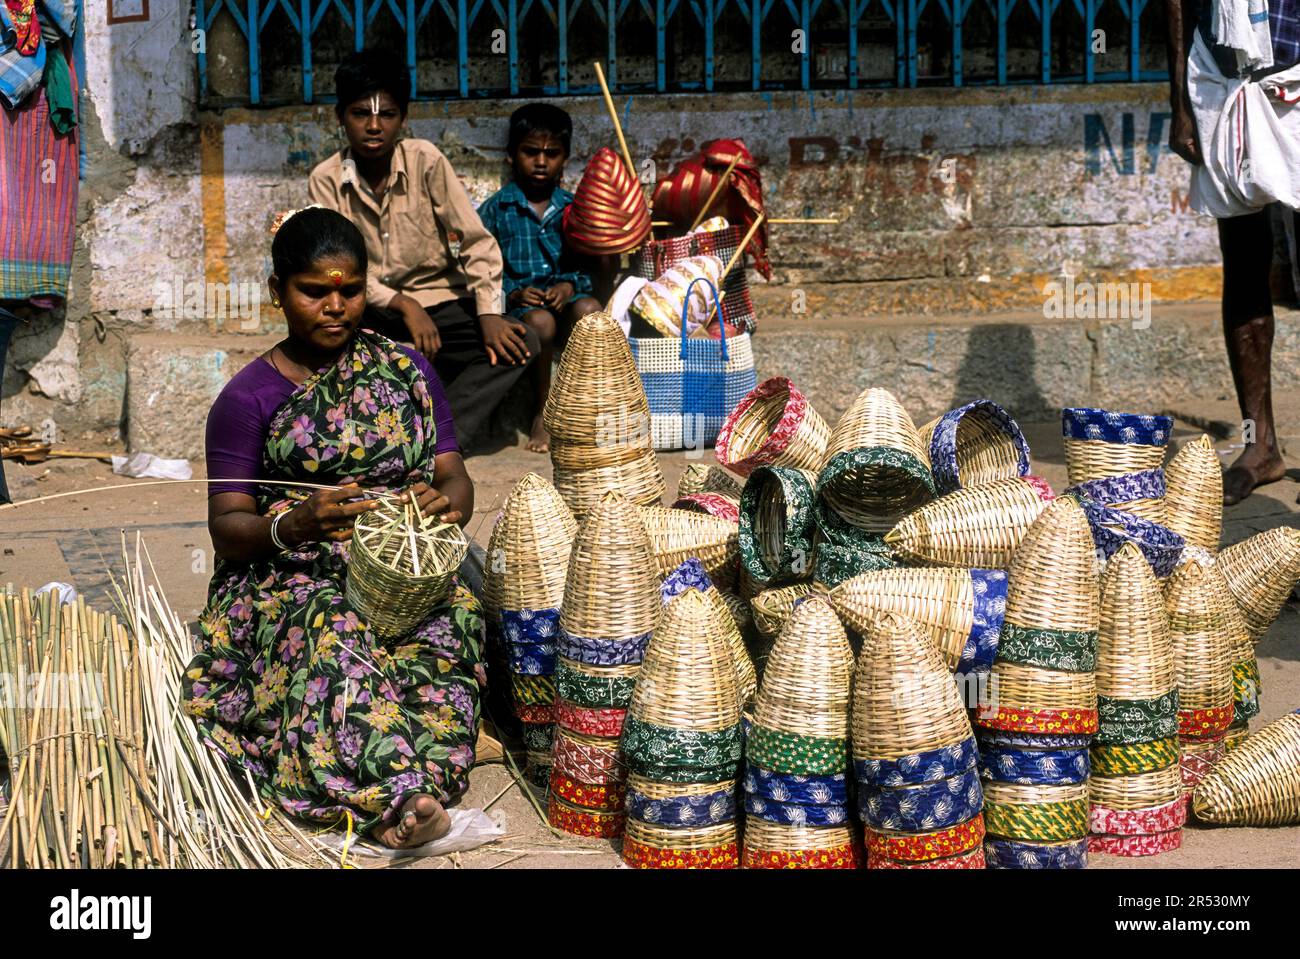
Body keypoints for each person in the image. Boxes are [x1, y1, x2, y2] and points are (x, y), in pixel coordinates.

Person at [185, 207, 484, 849]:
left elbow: (455, 475)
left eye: (349, 290)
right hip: (285, 578)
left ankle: (420, 781)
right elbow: (227, 526)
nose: (335, 307)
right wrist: (294, 525)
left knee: (454, 617)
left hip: (400, 570)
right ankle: (400, 799)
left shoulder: (407, 372)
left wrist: (446, 503)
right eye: (314, 291)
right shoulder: (248, 398)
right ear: (278, 293)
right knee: (333, 635)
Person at [308, 48, 539, 451]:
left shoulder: (425, 161)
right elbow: (336, 268)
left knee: (524, 342)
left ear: (404, 117)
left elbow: (475, 240)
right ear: (340, 117)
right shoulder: (326, 180)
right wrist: (402, 304)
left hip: (442, 304)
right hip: (369, 310)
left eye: (388, 115)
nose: (375, 126)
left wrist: (488, 312)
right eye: (361, 113)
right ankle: (392, 436)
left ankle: (437, 439)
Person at [1164, 0, 1300, 505]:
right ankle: (1259, 446)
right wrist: (1179, 99)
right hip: (1219, 76)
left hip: (1293, 68)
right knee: (1243, 265)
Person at [476, 104, 601, 452]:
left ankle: (587, 410)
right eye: (531, 152)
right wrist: (514, 293)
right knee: (541, 322)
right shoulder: (496, 209)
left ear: (566, 157)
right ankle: (543, 412)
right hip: (525, 312)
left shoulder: (575, 208)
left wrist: (570, 284)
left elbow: (588, 265)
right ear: (512, 155)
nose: (541, 162)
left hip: (566, 301)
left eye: (552, 153)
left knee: (591, 310)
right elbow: (481, 269)